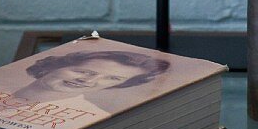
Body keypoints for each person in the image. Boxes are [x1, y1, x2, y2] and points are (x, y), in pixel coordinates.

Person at [13, 49, 171, 105]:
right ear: (56, 65)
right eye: (83, 71)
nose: (88, 81)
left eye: (113, 79)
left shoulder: (86, 120)